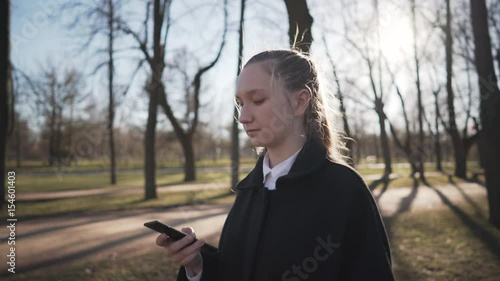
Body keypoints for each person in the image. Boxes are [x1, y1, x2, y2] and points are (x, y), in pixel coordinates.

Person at [155, 49, 395, 281]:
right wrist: (197, 266)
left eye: (257, 100)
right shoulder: (250, 189)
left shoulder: (344, 189)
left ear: (300, 101)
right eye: (240, 103)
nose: (243, 117)